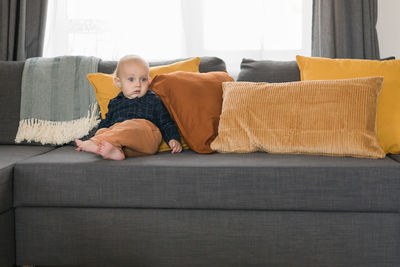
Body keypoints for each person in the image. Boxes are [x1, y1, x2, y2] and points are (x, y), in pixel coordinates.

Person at [75, 55, 182, 160]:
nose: (138, 84)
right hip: (128, 145)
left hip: (146, 135)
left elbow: (166, 122)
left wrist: (173, 139)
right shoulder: (115, 102)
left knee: (128, 125)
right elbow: (106, 123)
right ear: (119, 82)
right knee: (103, 130)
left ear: (149, 81)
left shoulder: (153, 100)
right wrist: (100, 132)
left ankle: (96, 142)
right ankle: (115, 152)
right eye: (131, 79)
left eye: (143, 79)